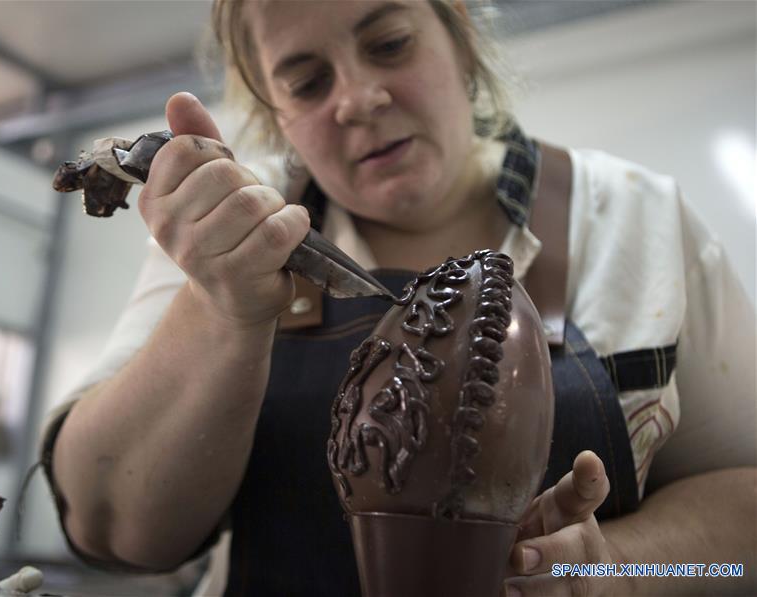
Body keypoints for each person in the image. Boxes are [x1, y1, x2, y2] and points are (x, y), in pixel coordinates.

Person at [39, 1, 756, 595]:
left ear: (462, 41)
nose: (358, 98)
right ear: (273, 112)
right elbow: (111, 529)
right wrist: (222, 309)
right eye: (307, 82)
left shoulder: (639, 220)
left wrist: (627, 569)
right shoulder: (225, 237)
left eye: (389, 44)